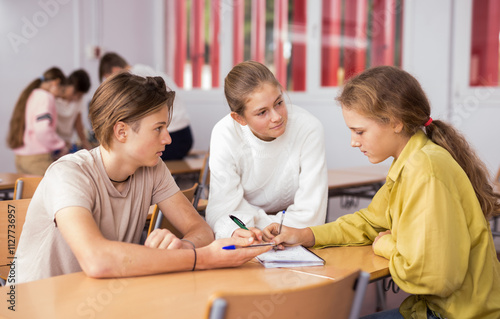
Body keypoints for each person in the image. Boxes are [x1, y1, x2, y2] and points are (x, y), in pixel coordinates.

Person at [263, 66, 500, 318]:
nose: (353, 142)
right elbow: (369, 221)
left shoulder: (424, 169)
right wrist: (304, 234)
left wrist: (386, 244)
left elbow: (434, 278)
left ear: (395, 121)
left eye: (359, 131)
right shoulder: (410, 161)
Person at [14, 72, 271, 284]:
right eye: (158, 128)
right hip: (36, 305)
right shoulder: (69, 173)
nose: (168, 138)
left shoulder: (152, 168)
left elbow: (200, 229)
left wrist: (184, 246)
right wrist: (202, 258)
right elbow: (97, 259)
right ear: (122, 131)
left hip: (98, 297)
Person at [206, 61, 328, 240]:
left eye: (279, 102)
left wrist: (254, 224)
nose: (277, 117)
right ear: (239, 118)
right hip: (251, 236)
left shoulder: (308, 128)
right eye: (262, 112)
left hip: (271, 233)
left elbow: (312, 217)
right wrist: (264, 228)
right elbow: (221, 211)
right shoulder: (224, 134)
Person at [98, 52, 193, 160]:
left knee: (128, 154)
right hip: (183, 134)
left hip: (176, 138)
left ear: (115, 70)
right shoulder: (142, 70)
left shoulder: (135, 76)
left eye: (109, 78)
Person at [7, 67, 68, 175]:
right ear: (56, 82)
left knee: (28, 191)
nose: (60, 96)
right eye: (62, 90)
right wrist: (60, 145)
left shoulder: (31, 94)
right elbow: (42, 129)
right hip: (36, 160)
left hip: (21, 158)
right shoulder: (45, 97)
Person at [56, 69, 92, 151]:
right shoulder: (55, 98)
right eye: (75, 93)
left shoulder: (78, 101)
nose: (76, 97)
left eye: (80, 95)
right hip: (55, 142)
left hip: (68, 142)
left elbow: (78, 124)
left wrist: (85, 144)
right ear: (68, 85)